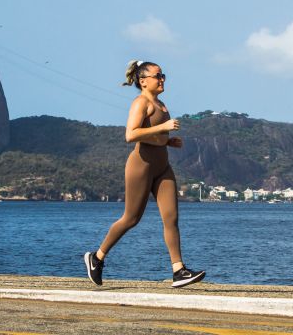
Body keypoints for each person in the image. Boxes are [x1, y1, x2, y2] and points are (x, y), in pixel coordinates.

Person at [84, 60, 205, 288]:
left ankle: (178, 271)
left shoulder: (161, 104)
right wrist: (162, 128)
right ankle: (97, 257)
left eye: (163, 75)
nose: (162, 79)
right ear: (143, 81)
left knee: (171, 219)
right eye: (157, 76)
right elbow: (131, 134)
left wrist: (167, 141)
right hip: (141, 165)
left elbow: (151, 134)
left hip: (162, 166)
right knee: (131, 218)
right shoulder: (140, 103)